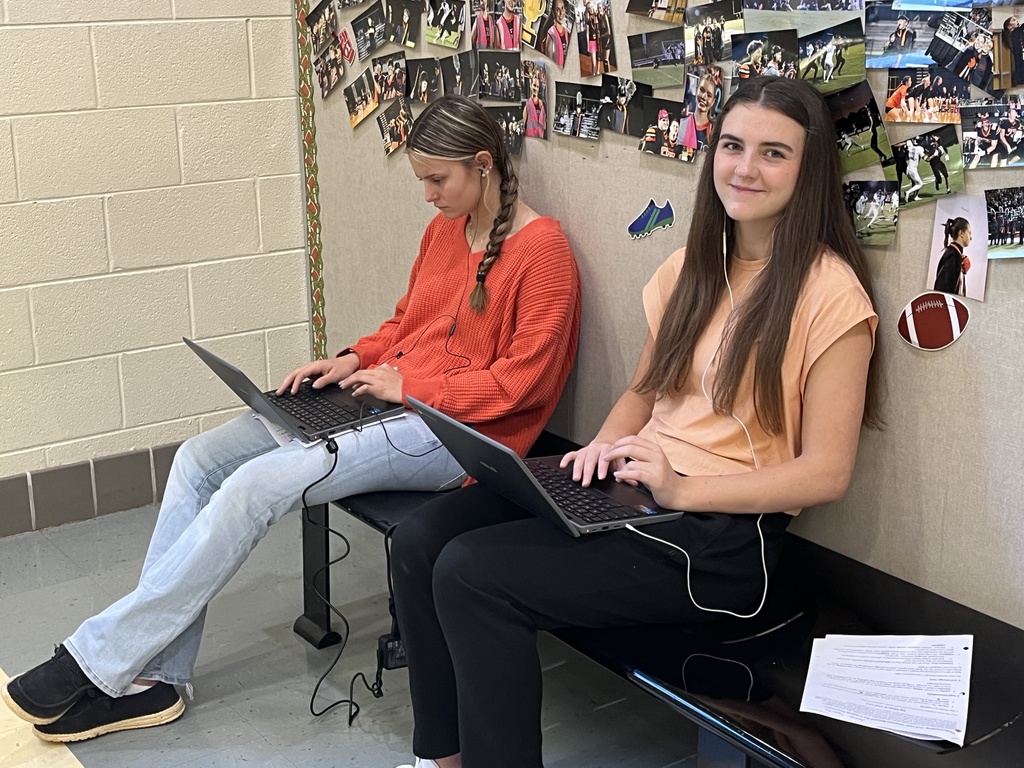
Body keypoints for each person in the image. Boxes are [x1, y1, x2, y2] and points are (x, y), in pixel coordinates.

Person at [1, 95, 582, 744]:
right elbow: (405, 326)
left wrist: (410, 384)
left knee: (257, 484)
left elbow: (521, 385)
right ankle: (157, 675)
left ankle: (96, 658)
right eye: (421, 179)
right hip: (387, 399)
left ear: (482, 164)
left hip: (453, 437)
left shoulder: (544, 251)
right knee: (198, 459)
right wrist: (352, 359)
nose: (427, 196)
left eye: (436, 180)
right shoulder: (446, 230)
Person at [390, 76, 880, 768]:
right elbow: (644, 391)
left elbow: (827, 473)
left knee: (473, 574)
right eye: (733, 146)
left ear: (809, 169)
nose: (745, 168)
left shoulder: (832, 295)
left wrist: (682, 489)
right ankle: (442, 760)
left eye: (774, 153)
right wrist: (599, 447)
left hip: (720, 543)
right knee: (420, 539)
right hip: (634, 491)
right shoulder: (691, 268)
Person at [679, 71, 718, 162]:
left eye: (709, 95)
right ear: (696, 90)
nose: (704, 97)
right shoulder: (682, 124)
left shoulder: (716, 132)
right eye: (702, 90)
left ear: (713, 101)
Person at [934, 217, 972, 296]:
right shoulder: (953, 255)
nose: (971, 238)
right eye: (969, 233)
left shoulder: (954, 254)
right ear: (961, 233)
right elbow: (943, 291)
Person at [543, 0, 571, 67]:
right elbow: (549, 65)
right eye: (558, 10)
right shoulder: (551, 34)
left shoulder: (566, 33)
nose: (561, 13)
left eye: (562, 8)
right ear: (553, 13)